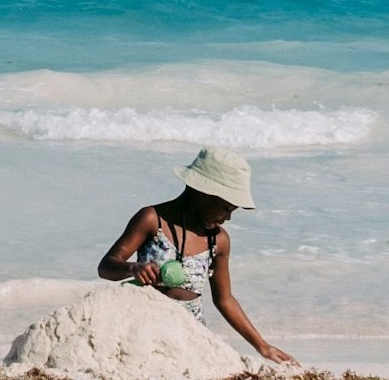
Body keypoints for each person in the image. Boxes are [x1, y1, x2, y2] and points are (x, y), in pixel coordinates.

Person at [97, 146, 296, 364]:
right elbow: (106, 266)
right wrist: (133, 268)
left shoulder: (218, 241)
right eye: (226, 208)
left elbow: (224, 299)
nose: (228, 218)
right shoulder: (152, 219)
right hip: (145, 327)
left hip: (190, 335)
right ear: (205, 194)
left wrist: (262, 346)